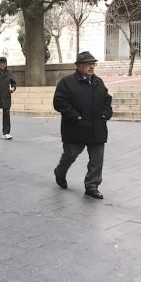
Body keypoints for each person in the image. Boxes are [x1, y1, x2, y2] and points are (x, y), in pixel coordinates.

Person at [53, 51, 113, 199]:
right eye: (88, 64)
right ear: (79, 66)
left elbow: (107, 99)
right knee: (70, 155)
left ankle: (92, 186)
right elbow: (59, 102)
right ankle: (60, 172)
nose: (91, 67)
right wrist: (76, 116)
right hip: (75, 128)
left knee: (97, 160)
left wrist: (106, 113)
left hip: (97, 127)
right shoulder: (66, 82)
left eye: (93, 64)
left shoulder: (98, 82)